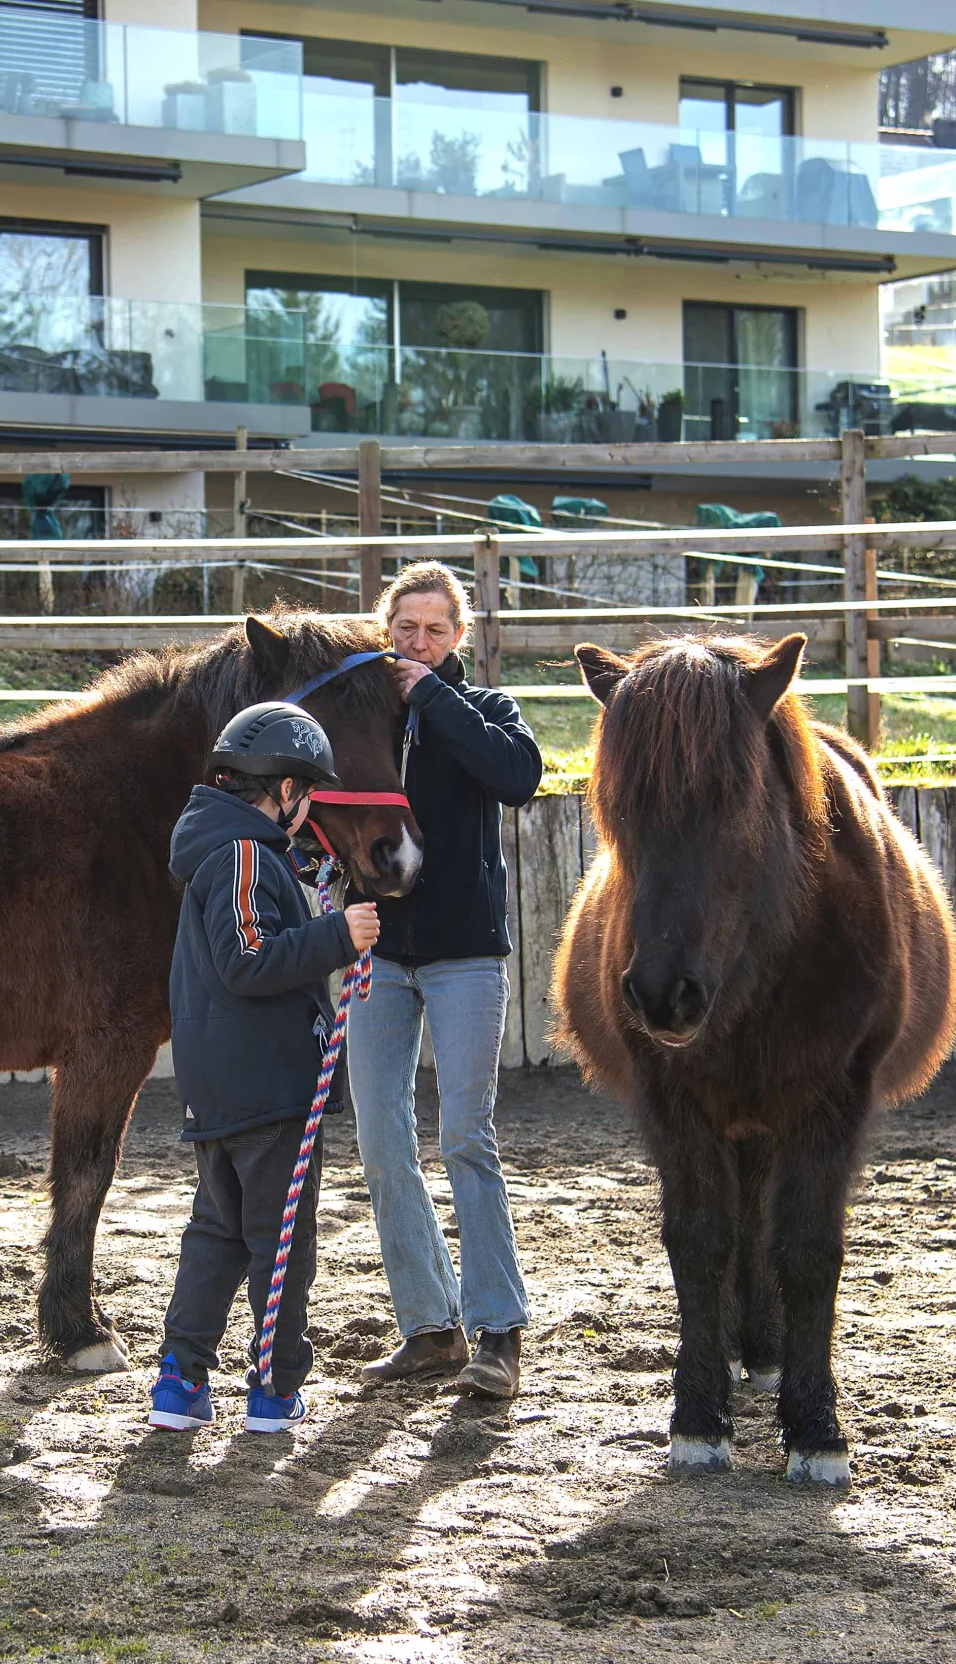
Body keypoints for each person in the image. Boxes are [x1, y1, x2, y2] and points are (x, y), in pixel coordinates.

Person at [149, 702, 382, 1435]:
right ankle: (274, 1388)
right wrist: (337, 937)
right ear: (281, 788)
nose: (307, 808)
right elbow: (249, 960)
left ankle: (181, 1380)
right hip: (268, 1085)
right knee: (282, 1238)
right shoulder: (248, 856)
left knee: (217, 1232)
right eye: (304, 793)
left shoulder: (224, 852)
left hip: (218, 1084)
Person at [348, 562, 544, 1398]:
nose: (416, 641)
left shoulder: (484, 710)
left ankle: (499, 1330)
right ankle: (430, 1328)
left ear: (458, 638)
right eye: (404, 627)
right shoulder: (365, 715)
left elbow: (519, 778)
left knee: (466, 1136)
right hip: (379, 955)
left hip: (467, 953)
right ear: (384, 627)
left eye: (434, 629)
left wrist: (432, 697)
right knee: (381, 1141)